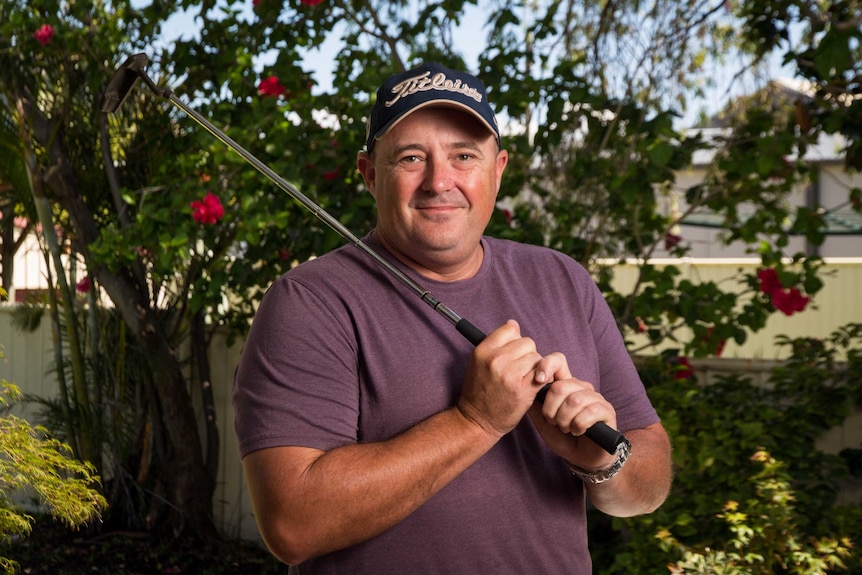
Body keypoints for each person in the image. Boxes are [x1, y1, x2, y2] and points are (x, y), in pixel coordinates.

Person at [232, 61, 673, 574]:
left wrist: (601, 460)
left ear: (498, 169)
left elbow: (650, 481)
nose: (440, 181)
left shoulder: (562, 280)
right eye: (412, 158)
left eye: (464, 156)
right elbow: (292, 525)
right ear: (370, 174)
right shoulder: (310, 302)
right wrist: (475, 421)